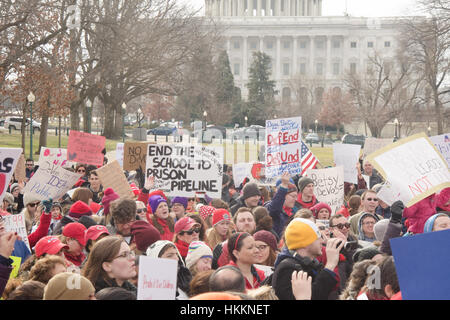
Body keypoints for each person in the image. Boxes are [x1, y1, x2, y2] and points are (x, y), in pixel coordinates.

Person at [272, 218, 343, 300]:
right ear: (304, 243)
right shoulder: (287, 269)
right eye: (318, 237)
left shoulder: (311, 264)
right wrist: (330, 265)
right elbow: (314, 296)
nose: (322, 241)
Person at [265, 172, 299, 239]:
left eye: (296, 196)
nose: (296, 199)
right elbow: (275, 209)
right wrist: (284, 186)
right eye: (293, 196)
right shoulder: (271, 208)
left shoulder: (296, 212)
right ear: (283, 196)